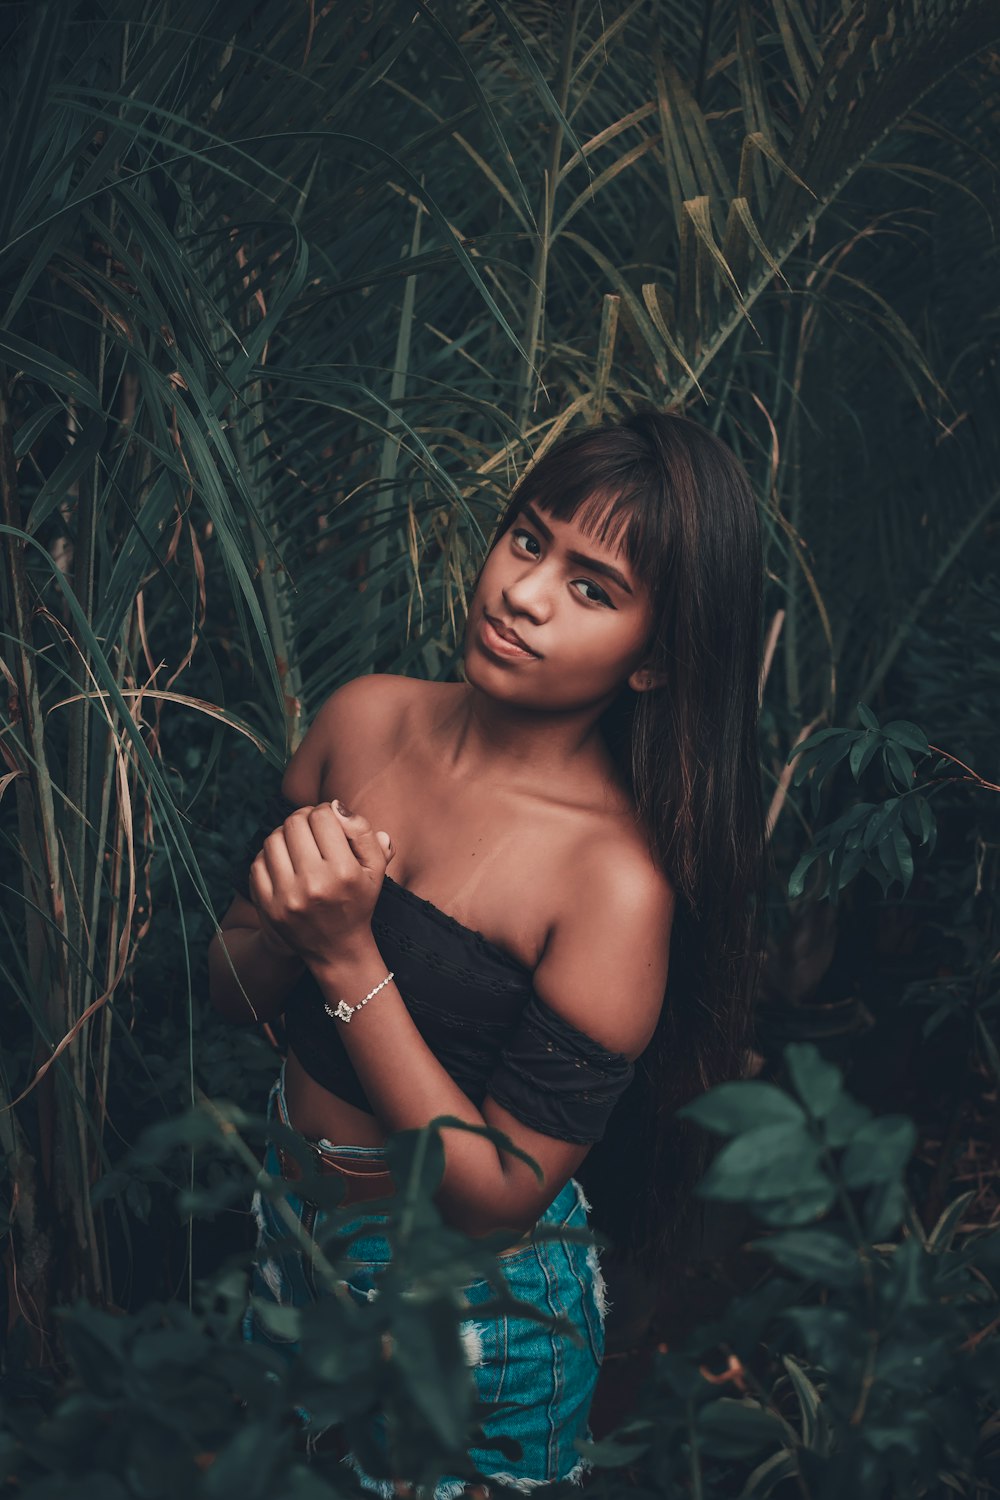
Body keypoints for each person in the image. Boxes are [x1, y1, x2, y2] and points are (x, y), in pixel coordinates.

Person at [208, 406, 766, 1493]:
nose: (523, 592)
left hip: (473, 1311)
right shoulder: (361, 721)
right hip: (289, 1230)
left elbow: (494, 1196)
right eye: (527, 539)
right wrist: (286, 926)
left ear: (653, 662)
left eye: (591, 588)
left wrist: (342, 954)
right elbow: (228, 994)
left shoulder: (612, 885)